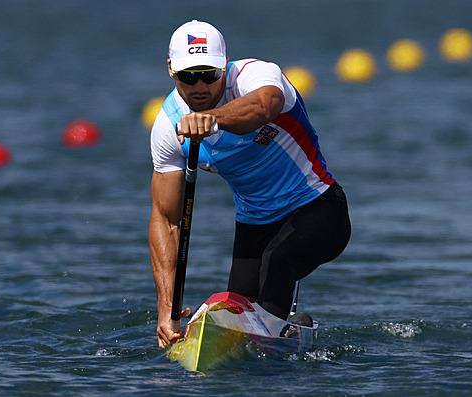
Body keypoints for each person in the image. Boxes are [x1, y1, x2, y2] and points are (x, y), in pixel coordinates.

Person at [149, 20, 351, 348]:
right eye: (188, 76)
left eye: (209, 74)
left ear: (225, 67)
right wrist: (166, 310)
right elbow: (167, 220)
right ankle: (287, 331)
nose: (200, 86)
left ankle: (269, 342)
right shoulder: (166, 127)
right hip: (254, 227)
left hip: (319, 207)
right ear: (171, 71)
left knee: (279, 260)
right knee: (235, 304)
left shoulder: (255, 76)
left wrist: (213, 119)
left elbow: (263, 106)